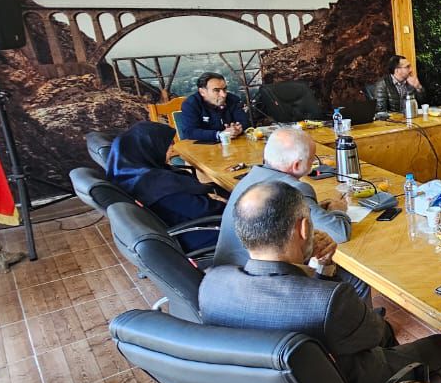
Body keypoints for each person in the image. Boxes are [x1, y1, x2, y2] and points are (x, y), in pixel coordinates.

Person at [198, 181, 441, 383]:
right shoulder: (329, 301)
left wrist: (323, 267)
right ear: (303, 228)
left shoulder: (212, 286)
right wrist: (326, 272)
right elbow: (373, 333)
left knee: (382, 331)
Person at [214, 126, 352, 269]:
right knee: (349, 275)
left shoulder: (252, 177)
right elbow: (339, 233)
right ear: (297, 165)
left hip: (226, 273)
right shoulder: (294, 189)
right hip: (261, 276)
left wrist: (310, 211)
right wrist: (338, 210)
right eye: (312, 160)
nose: (313, 165)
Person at [106, 121, 225, 251]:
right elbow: (203, 210)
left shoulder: (128, 173)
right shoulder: (156, 184)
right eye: (167, 145)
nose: (172, 150)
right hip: (194, 233)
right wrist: (224, 203)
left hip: (175, 226)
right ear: (150, 147)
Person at [178, 72, 248, 142]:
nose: (223, 95)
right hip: (203, 146)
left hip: (233, 144)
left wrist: (238, 129)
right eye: (216, 90)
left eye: (224, 89)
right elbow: (190, 131)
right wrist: (220, 134)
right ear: (202, 92)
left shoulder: (233, 99)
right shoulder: (191, 104)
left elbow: (245, 122)